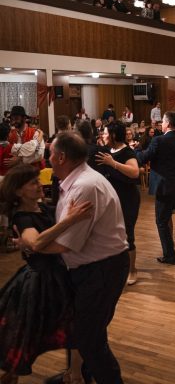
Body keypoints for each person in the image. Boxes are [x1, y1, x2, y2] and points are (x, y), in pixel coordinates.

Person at [45, 132, 130, 384]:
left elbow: (67, 244)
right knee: (85, 331)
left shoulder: (85, 186)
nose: (48, 158)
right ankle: (78, 375)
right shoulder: (79, 180)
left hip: (100, 270)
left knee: (89, 339)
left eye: (50, 154)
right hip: (97, 268)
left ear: (61, 157)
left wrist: (32, 246)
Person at [0, 164, 92, 384]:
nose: (40, 184)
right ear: (19, 191)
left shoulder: (44, 208)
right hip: (40, 281)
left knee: (73, 328)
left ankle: (75, 375)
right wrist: (70, 220)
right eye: (33, 183)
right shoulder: (22, 217)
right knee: (26, 331)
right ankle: (14, 374)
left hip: (58, 275)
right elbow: (35, 243)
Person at [136, 111, 175, 264]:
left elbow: (143, 158)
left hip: (165, 186)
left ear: (168, 124)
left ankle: (170, 255)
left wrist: (136, 150)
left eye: (163, 122)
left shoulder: (158, 140)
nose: (161, 124)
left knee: (162, 221)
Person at [96, 122, 140, 285]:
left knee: (127, 234)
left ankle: (132, 270)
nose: (103, 135)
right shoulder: (107, 151)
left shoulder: (127, 151)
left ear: (114, 135)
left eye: (105, 133)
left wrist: (113, 163)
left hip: (127, 198)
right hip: (110, 199)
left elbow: (134, 172)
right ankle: (116, 268)